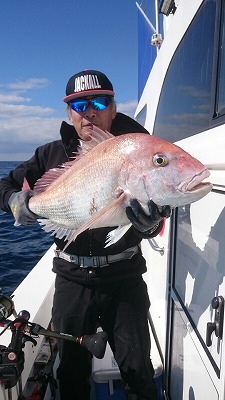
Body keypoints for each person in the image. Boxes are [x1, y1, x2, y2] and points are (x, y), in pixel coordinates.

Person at [0, 69, 171, 400]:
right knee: (71, 374)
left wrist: (149, 223)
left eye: (99, 101)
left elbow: (158, 211)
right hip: (71, 279)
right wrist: (17, 203)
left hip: (125, 278)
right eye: (79, 104)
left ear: (113, 108)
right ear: (69, 113)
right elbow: (3, 186)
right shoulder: (49, 155)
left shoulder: (136, 150)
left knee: (139, 371)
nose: (89, 111)